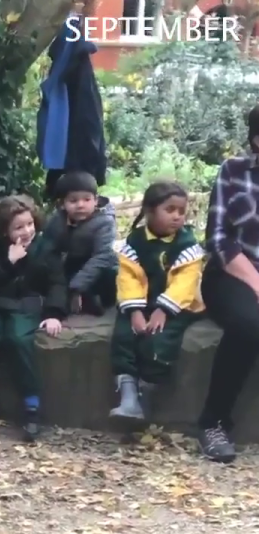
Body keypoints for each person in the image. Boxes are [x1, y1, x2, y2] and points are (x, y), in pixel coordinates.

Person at [0, 195, 67, 442]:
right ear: (4, 231)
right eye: (18, 227)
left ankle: (31, 406)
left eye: (29, 224)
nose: (26, 231)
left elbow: (57, 282)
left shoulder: (45, 246)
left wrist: (54, 312)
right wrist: (8, 262)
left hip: (26, 305)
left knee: (19, 340)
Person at [109, 182, 204, 422]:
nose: (177, 217)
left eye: (181, 211)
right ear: (150, 211)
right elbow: (128, 277)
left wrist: (164, 309)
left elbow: (185, 282)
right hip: (141, 302)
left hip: (177, 305)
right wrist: (134, 310)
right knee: (123, 335)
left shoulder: (187, 245)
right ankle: (128, 396)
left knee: (160, 339)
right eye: (170, 210)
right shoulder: (135, 241)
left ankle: (146, 395)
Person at [197, 104, 259, 463]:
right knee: (250, 326)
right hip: (231, 272)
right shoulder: (234, 172)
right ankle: (212, 422)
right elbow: (218, 240)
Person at [42, 171, 118, 315]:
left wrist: (76, 286)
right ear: (62, 204)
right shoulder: (57, 220)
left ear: (95, 200)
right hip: (72, 264)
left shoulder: (104, 222)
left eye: (86, 199)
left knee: (110, 273)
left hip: (100, 267)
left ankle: (98, 300)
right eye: (73, 200)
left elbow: (102, 256)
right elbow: (49, 250)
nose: (80, 205)